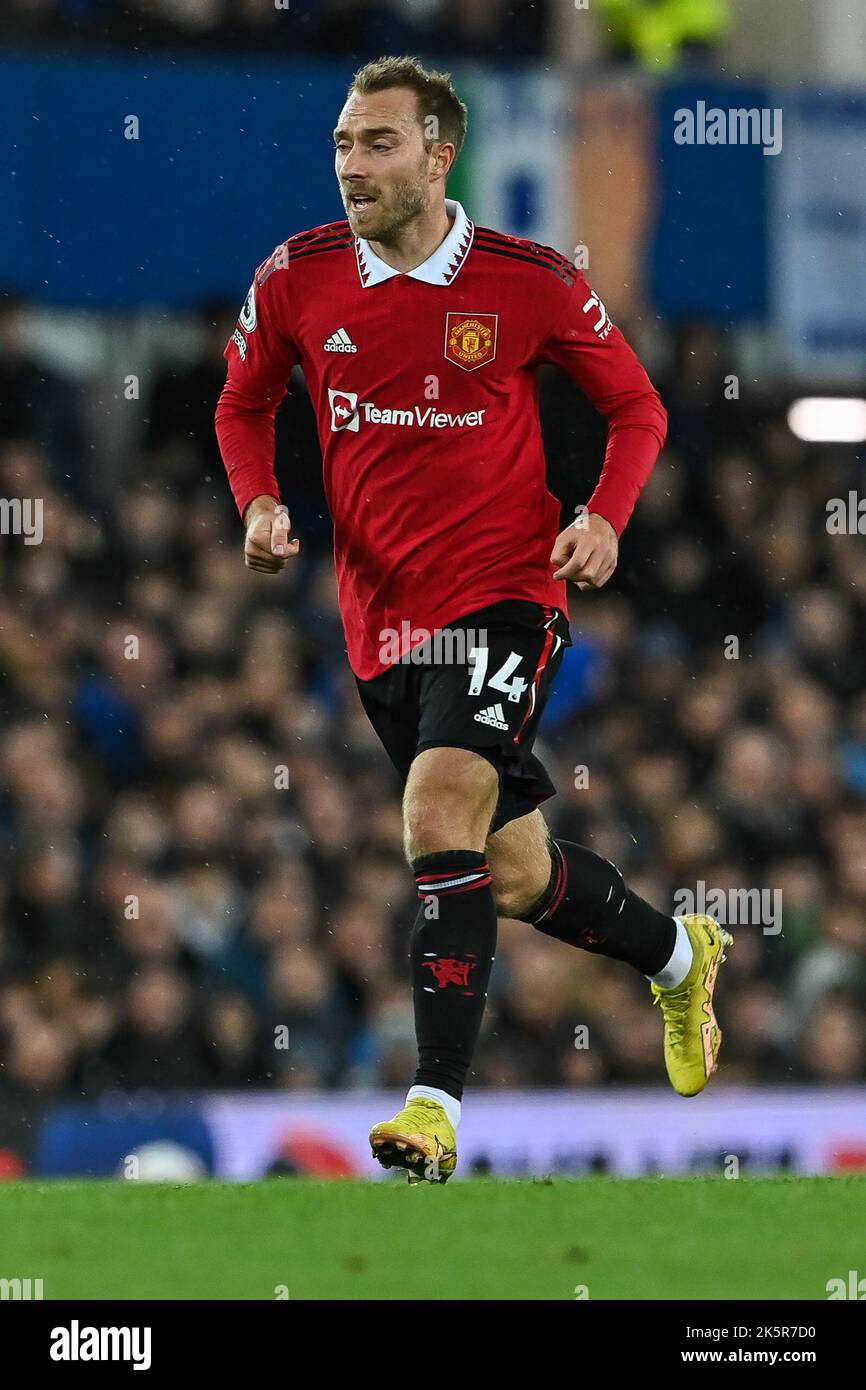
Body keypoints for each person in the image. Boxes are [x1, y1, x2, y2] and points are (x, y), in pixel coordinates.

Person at [215, 56, 731, 1184]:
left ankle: (434, 1107)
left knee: (435, 806)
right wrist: (256, 497)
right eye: (345, 143)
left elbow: (634, 403)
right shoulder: (297, 278)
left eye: (378, 144)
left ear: (438, 154)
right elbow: (242, 400)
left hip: (506, 594)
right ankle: (680, 955)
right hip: (379, 625)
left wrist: (601, 517)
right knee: (508, 874)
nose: (352, 165)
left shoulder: (527, 280)